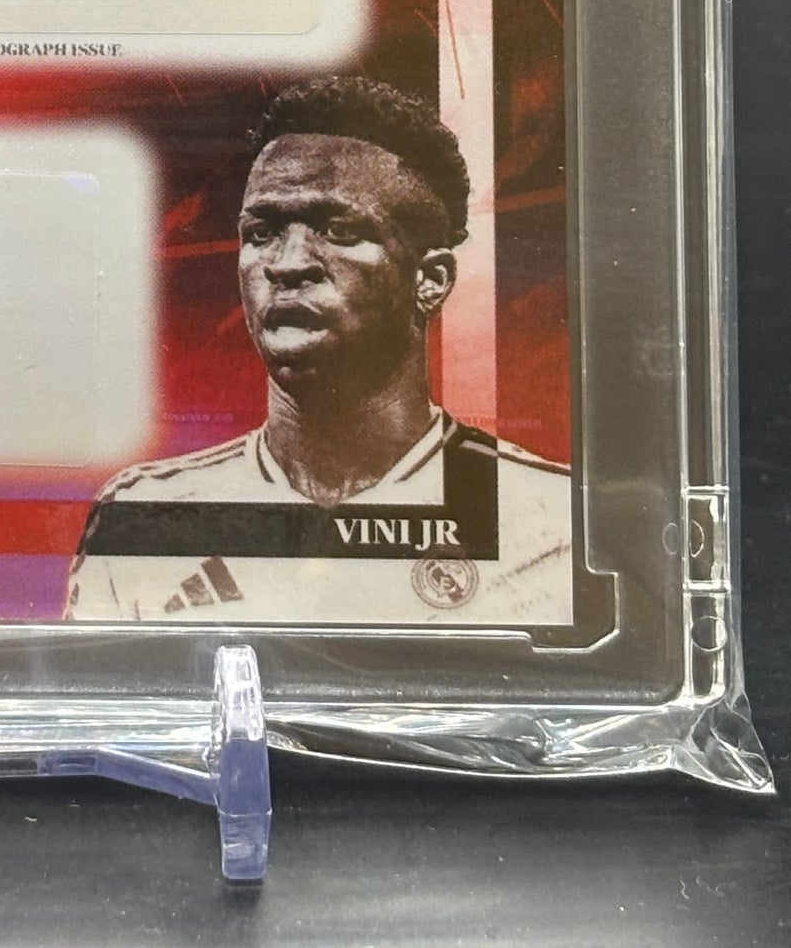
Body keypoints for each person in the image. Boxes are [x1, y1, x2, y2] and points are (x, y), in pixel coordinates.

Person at [67, 76, 570, 623]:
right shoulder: (144, 520)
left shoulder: (553, 522)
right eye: (262, 233)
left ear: (429, 280)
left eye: (338, 230)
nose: (288, 264)